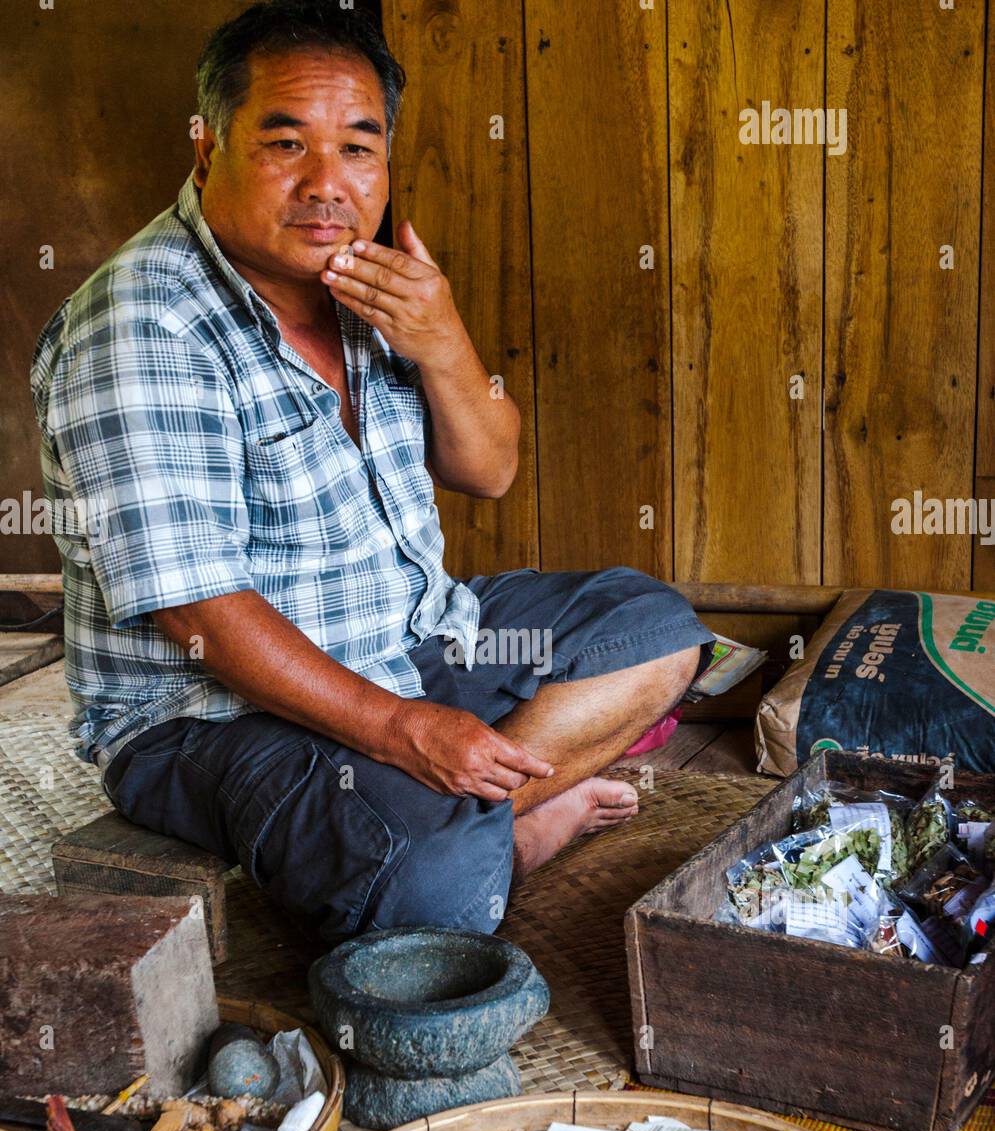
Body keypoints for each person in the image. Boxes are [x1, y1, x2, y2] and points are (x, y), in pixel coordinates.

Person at [31, 0, 714, 941]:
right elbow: (196, 613)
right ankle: (484, 838)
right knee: (424, 882)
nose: (327, 184)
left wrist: (444, 342)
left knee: (653, 631)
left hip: (410, 642)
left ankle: (474, 826)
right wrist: (403, 731)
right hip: (210, 715)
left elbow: (489, 471)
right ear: (208, 149)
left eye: (358, 148)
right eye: (285, 145)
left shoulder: (366, 282)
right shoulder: (144, 324)